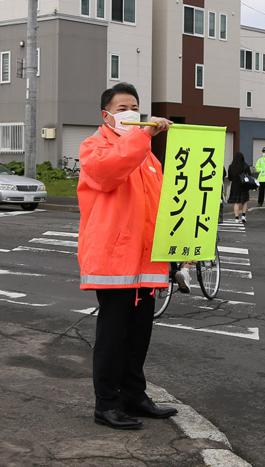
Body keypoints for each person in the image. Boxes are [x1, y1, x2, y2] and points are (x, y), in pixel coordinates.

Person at [78, 82, 178, 430]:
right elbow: (108, 173)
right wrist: (144, 136)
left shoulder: (147, 156)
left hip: (146, 262)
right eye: (122, 108)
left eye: (134, 107)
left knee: (139, 336)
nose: (130, 113)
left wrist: (180, 249)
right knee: (112, 336)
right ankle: (105, 403)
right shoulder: (94, 147)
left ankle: (134, 396)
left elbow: (163, 206)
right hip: (114, 262)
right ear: (105, 114)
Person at [228, 151, 251, 224]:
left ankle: (236, 218)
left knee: (236, 202)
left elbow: (230, 178)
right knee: (244, 201)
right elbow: (249, 176)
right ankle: (243, 216)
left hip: (235, 186)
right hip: (244, 185)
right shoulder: (246, 166)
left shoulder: (231, 166)